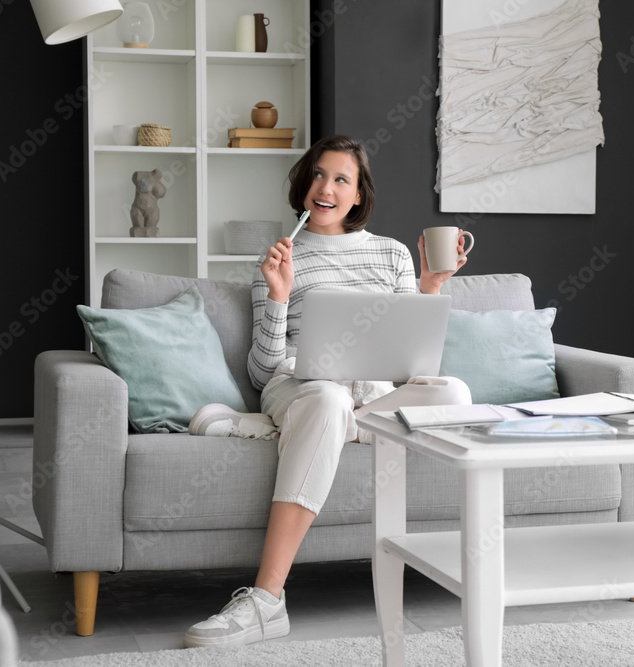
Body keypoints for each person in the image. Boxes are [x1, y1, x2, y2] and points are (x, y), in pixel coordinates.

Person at [182, 135, 472, 648]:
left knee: (454, 394)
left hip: (373, 398)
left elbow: (413, 364)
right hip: (302, 386)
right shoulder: (277, 258)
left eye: (342, 179)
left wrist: (430, 287)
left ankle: (271, 430)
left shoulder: (392, 254)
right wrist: (278, 295)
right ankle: (267, 601)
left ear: (359, 194)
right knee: (328, 400)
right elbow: (263, 369)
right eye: (319, 174)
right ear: (304, 184)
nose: (327, 187)